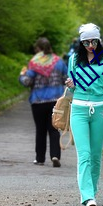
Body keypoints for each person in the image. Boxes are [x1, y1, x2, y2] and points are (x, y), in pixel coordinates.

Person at [65, 23, 103, 206]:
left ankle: (92, 193)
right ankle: (87, 197)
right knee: (84, 155)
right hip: (78, 109)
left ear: (98, 40)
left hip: (100, 110)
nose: (90, 45)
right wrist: (70, 84)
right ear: (81, 42)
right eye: (86, 42)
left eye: (93, 41)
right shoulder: (74, 59)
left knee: (96, 156)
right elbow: (71, 88)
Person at [19, 37, 68, 167]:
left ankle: (40, 158)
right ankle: (55, 155)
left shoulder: (34, 63)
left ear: (38, 49)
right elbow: (67, 78)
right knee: (54, 129)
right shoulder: (59, 62)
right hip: (55, 101)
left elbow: (27, 82)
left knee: (40, 130)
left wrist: (22, 75)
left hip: (38, 101)